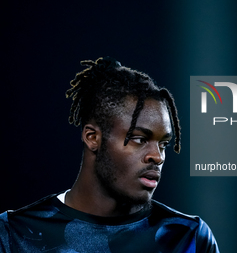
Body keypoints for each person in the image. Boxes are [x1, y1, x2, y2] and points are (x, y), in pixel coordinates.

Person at [0, 57, 219, 252]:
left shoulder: (188, 237)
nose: (157, 157)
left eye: (163, 144)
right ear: (93, 137)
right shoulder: (14, 234)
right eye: (139, 139)